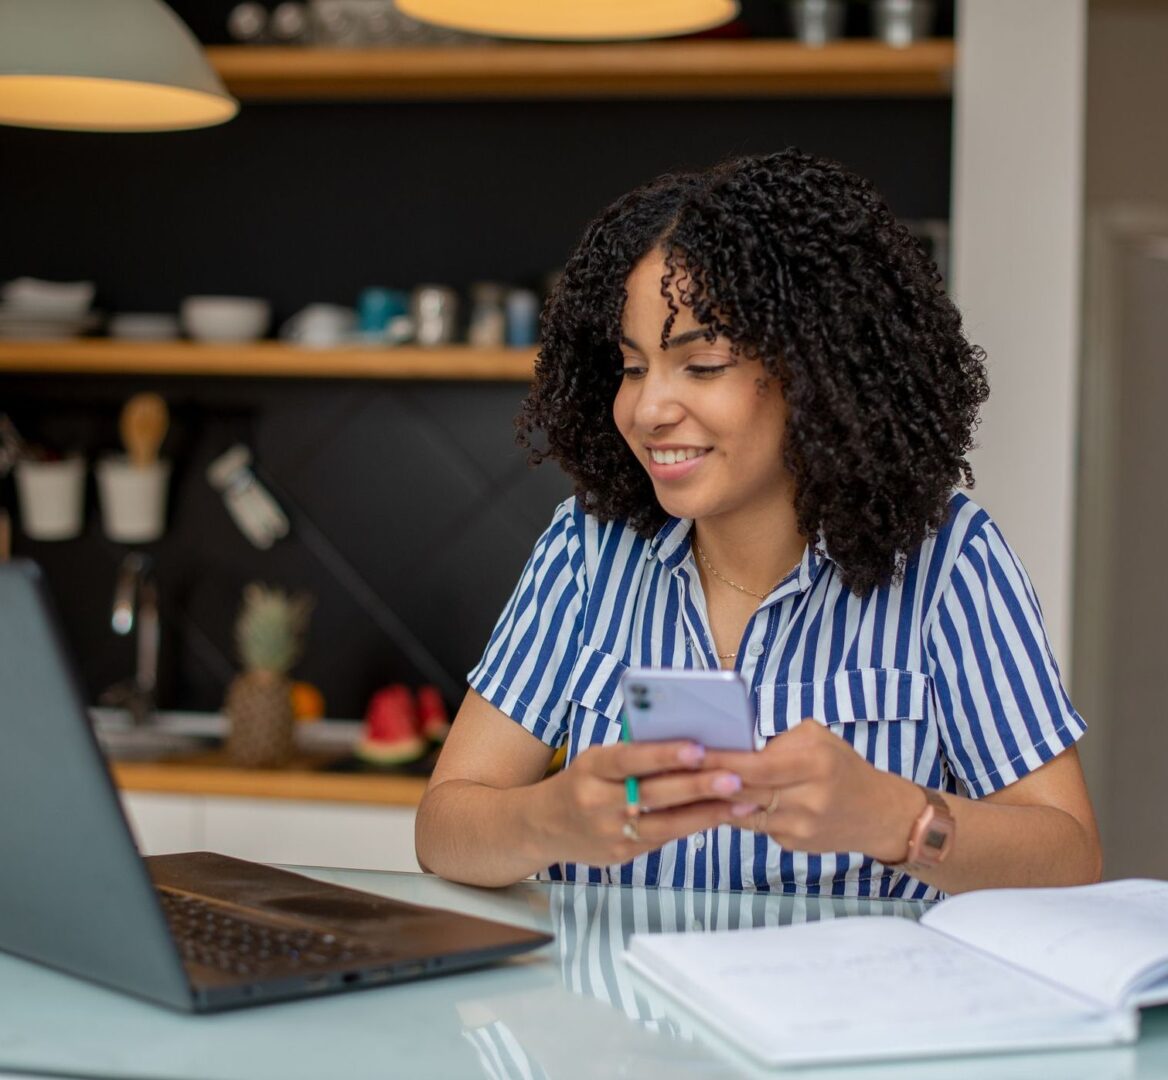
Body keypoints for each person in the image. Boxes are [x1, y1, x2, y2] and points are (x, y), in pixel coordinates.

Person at [414, 149, 1101, 898]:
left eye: (701, 366)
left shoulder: (947, 559)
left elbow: (1067, 856)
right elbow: (444, 827)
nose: (647, 410)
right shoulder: (587, 549)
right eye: (632, 366)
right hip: (608, 1016)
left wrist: (900, 820)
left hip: (850, 1011)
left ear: (816, 370)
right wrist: (549, 819)